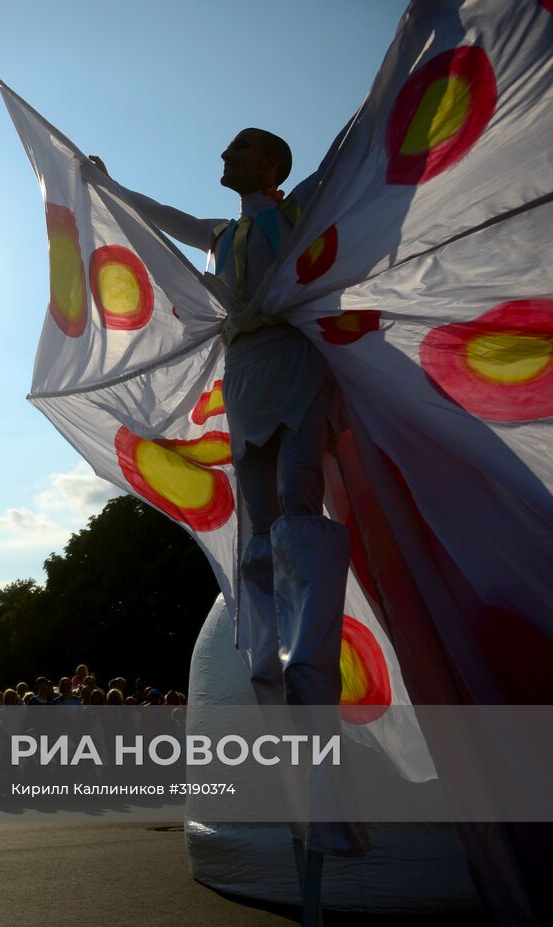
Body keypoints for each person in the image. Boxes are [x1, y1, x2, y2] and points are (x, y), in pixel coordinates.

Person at [89, 131, 364, 922]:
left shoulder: (297, 208)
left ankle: (311, 661)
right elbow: (164, 217)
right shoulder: (224, 233)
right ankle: (276, 652)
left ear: (269, 166)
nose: (224, 153)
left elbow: (348, 154)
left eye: (240, 148)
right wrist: (107, 186)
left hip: (288, 360)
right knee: (261, 524)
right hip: (242, 371)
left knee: (298, 510)